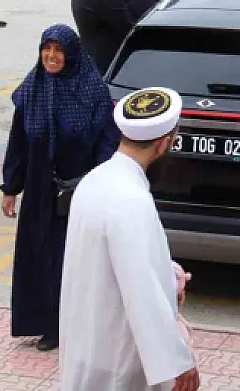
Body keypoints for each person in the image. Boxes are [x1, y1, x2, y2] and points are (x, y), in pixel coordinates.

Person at [58, 87, 198, 389]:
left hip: (88, 344)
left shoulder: (95, 180)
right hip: (118, 362)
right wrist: (177, 362)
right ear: (164, 144)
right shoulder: (131, 201)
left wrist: (169, 273)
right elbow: (143, 291)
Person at [3, 24, 119, 353]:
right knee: (41, 255)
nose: (52, 57)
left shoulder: (91, 89)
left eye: (58, 50)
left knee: (74, 260)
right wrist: (11, 186)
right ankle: (47, 324)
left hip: (79, 189)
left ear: (72, 54)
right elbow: (18, 141)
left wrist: (100, 184)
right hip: (41, 188)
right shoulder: (33, 88)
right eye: (46, 49)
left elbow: (106, 141)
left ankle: (77, 325)